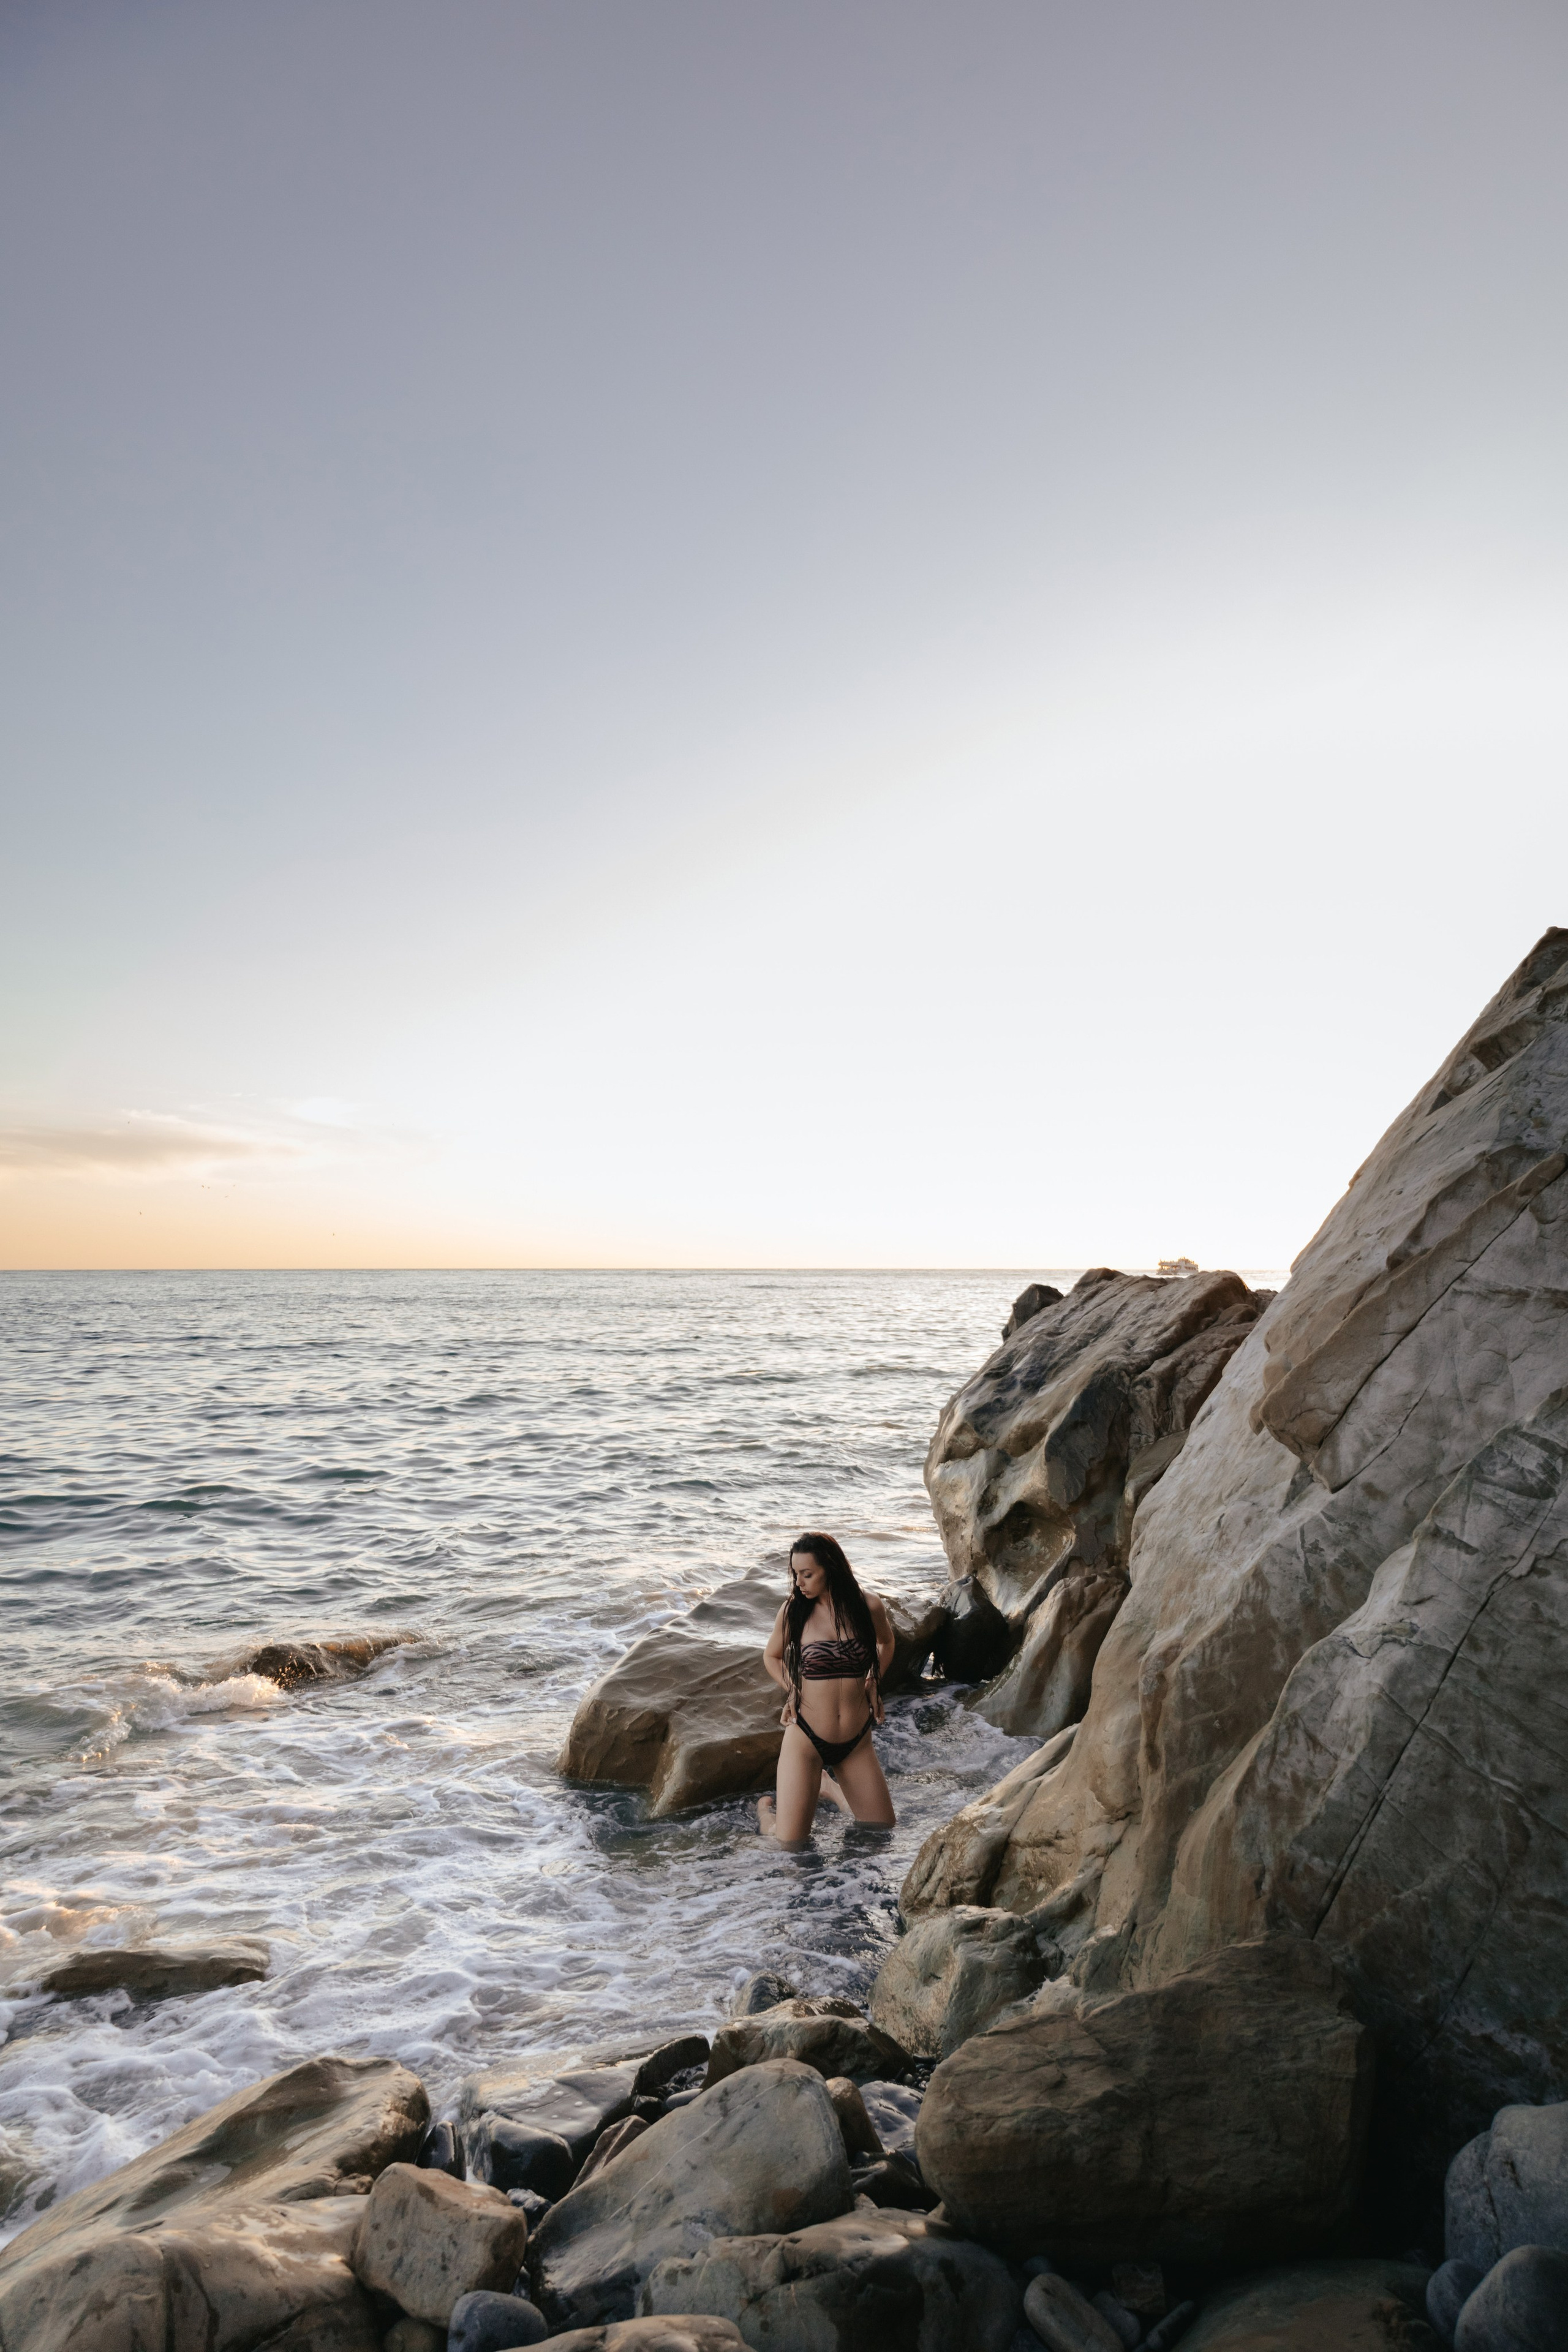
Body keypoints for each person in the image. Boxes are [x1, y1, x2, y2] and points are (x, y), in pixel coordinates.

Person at [757, 1531, 897, 1845]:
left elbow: (886, 1643)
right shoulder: (794, 1611)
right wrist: (792, 1689)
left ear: (831, 1568)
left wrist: (874, 1680)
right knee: (789, 1843)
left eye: (807, 1574)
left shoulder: (868, 1606)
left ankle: (830, 1787)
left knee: (882, 1832)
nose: (799, 1583)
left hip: (856, 1743)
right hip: (807, 1739)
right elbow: (772, 1655)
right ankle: (766, 1816)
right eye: (795, 1575)